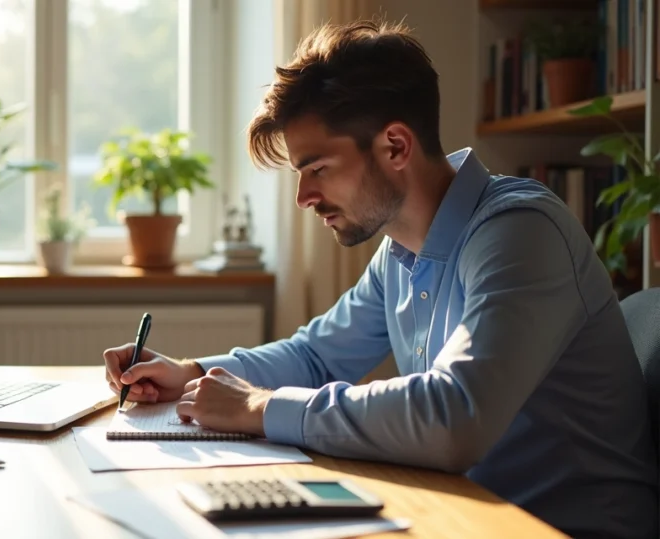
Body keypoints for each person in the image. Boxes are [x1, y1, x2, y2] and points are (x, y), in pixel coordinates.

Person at [102, 19, 657, 539]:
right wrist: (192, 374)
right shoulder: (401, 251)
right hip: (465, 514)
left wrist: (259, 407)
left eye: (317, 169)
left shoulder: (520, 232)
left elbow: (456, 416)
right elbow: (317, 356)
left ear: (395, 145)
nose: (304, 198)